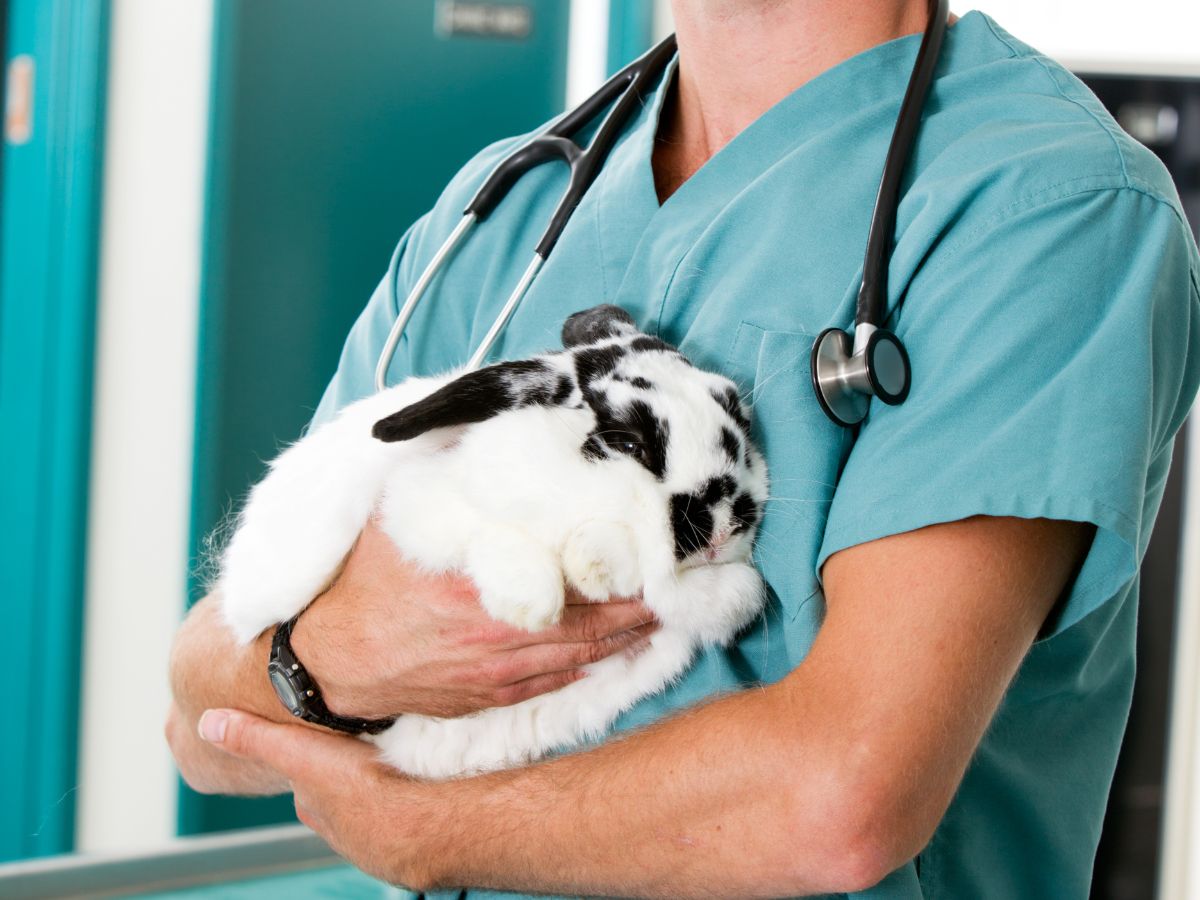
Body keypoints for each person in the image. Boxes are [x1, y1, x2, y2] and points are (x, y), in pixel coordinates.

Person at [165, 1, 1200, 897]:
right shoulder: (505, 206)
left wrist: (424, 831)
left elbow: (842, 794)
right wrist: (329, 658)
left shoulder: (1048, 209)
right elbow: (198, 712)